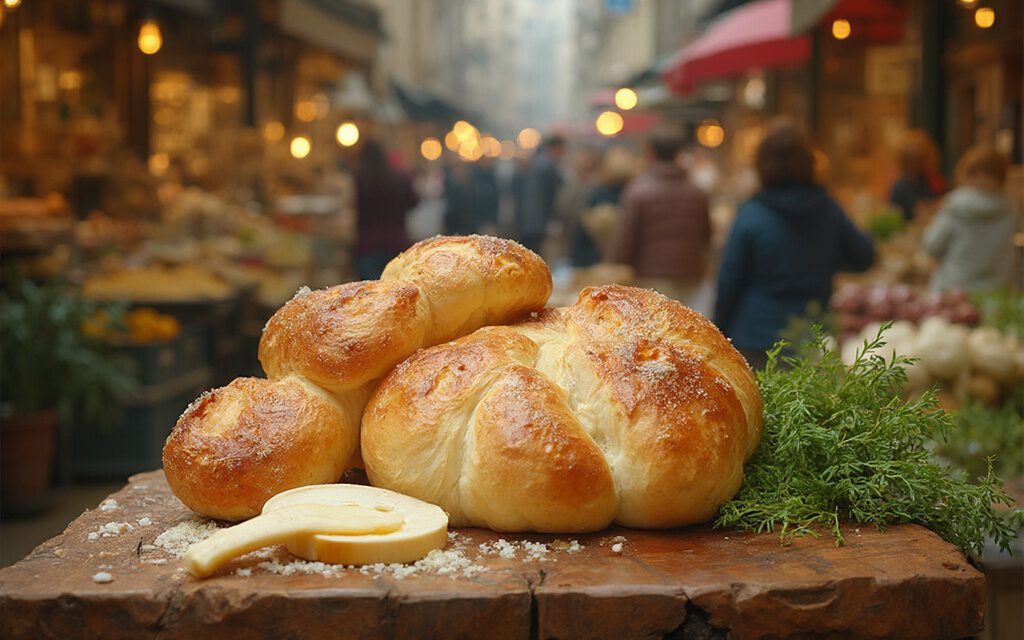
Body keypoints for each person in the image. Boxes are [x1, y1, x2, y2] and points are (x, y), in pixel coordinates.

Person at [714, 122, 875, 369]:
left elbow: (730, 280)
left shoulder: (751, 214)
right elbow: (864, 257)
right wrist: (826, 257)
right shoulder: (827, 209)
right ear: (809, 161)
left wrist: (719, 329)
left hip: (754, 337)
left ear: (762, 164)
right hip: (810, 337)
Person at [606, 129, 710, 306]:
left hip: (652, 276)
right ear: (678, 153)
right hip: (691, 275)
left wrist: (615, 265)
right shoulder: (698, 192)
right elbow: (707, 234)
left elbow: (627, 238)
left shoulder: (638, 191)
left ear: (650, 153)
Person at [922, 146, 1016, 293]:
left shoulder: (955, 206)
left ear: (970, 174)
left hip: (955, 291)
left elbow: (931, 245)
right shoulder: (1010, 210)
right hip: (996, 292)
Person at [353, 139, 417, 280]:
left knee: (371, 296)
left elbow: (355, 210)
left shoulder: (359, 180)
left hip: (368, 245)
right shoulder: (400, 178)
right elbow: (413, 202)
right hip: (397, 242)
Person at [515, 135, 566, 254]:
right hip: (537, 222)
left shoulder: (537, 163)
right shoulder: (546, 166)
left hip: (528, 221)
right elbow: (551, 196)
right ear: (556, 148)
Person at [889, 130, 945, 222]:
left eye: (920, 160)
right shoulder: (900, 187)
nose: (916, 165)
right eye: (912, 161)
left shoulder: (931, 180)